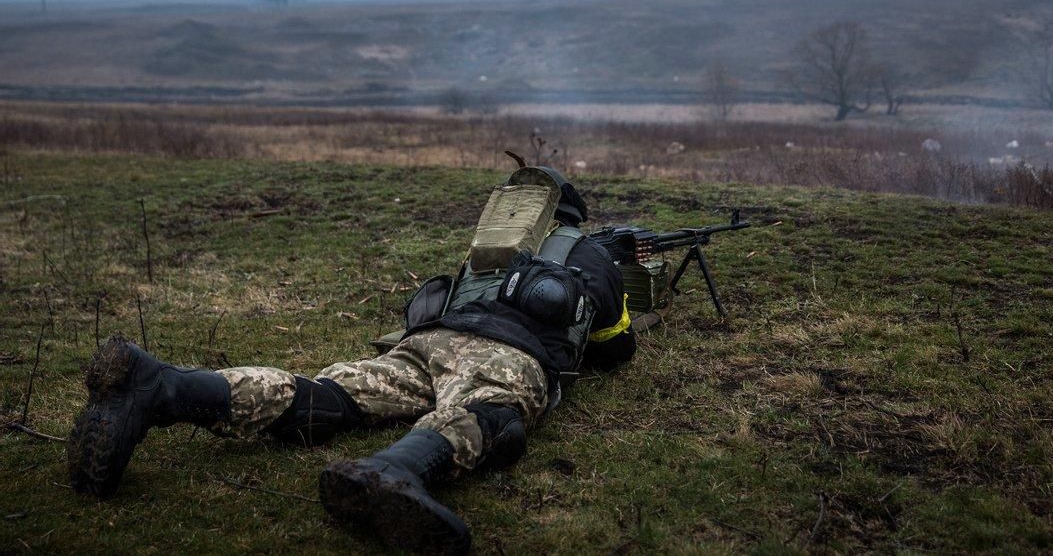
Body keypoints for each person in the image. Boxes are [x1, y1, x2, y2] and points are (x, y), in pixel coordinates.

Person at [67, 165, 635, 554]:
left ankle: (161, 386)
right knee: (491, 416)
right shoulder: (589, 254)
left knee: (330, 397)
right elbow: (614, 348)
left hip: (427, 343)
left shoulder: (491, 250)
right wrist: (614, 269)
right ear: (573, 215)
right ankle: (396, 470)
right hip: (508, 357)